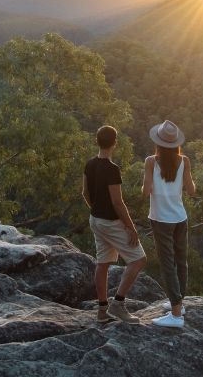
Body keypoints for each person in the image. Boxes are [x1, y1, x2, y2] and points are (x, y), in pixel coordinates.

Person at [82, 124, 147, 323]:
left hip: (95, 219)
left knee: (102, 264)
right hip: (110, 222)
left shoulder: (89, 164)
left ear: (97, 141)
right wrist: (131, 227)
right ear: (115, 143)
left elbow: (85, 193)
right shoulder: (112, 170)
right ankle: (118, 304)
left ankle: (102, 311)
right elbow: (118, 203)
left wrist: (96, 209)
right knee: (138, 260)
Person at [142, 119, 196, 328]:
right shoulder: (185, 161)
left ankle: (176, 315)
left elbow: (146, 191)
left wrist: (151, 184)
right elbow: (191, 190)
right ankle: (179, 304)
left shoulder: (150, 161)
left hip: (160, 219)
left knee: (167, 265)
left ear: (158, 143)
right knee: (181, 262)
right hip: (180, 217)